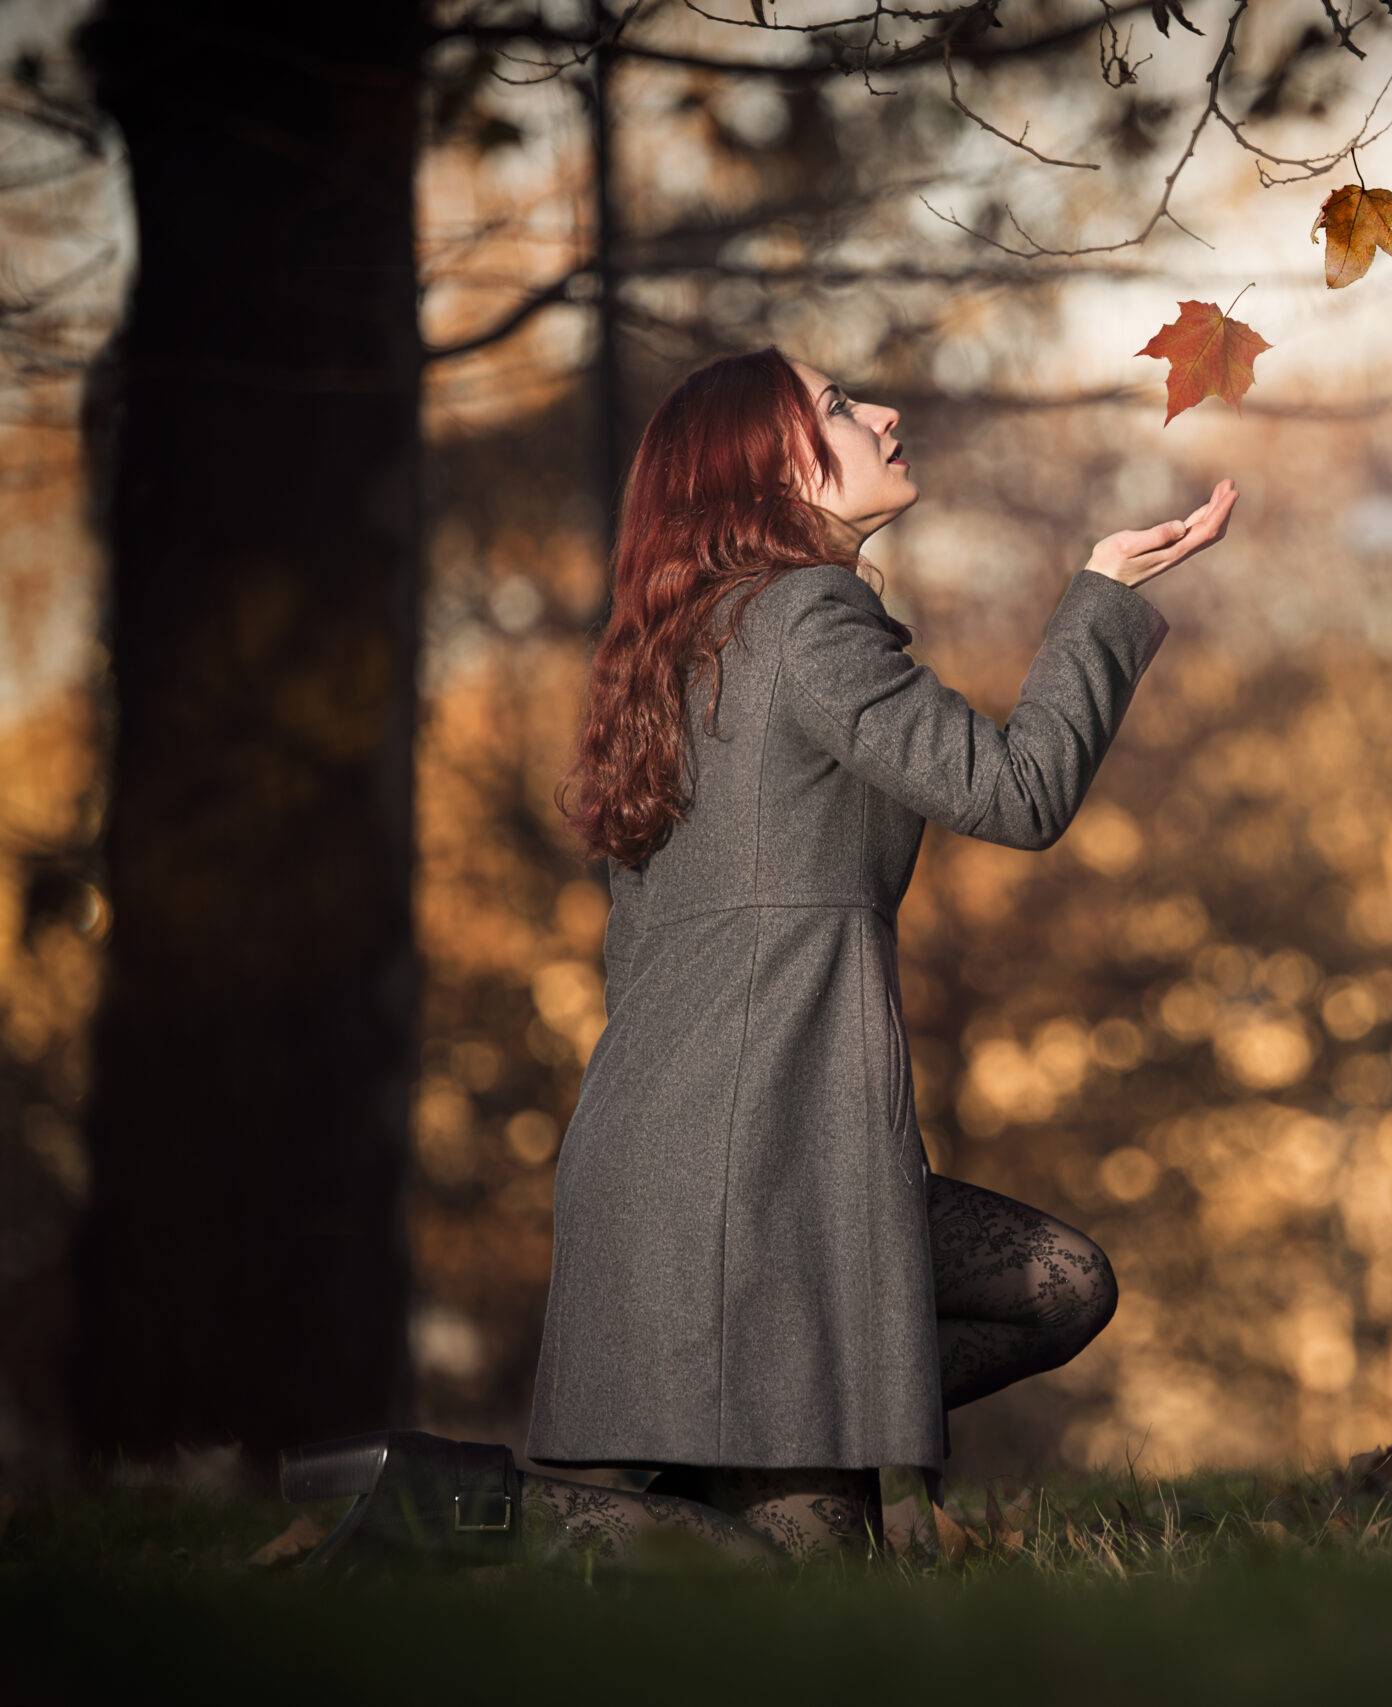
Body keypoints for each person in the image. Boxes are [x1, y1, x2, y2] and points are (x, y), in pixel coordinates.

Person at [277, 346, 1238, 1573]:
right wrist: (1099, 593)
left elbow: (638, 952)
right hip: (752, 1171)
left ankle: (751, 1436)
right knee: (791, 1586)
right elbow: (1018, 790)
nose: (883, 413)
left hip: (691, 1158)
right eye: (837, 408)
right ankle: (437, 1504)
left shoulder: (685, 646)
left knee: (1053, 1285)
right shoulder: (804, 617)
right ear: (764, 470)